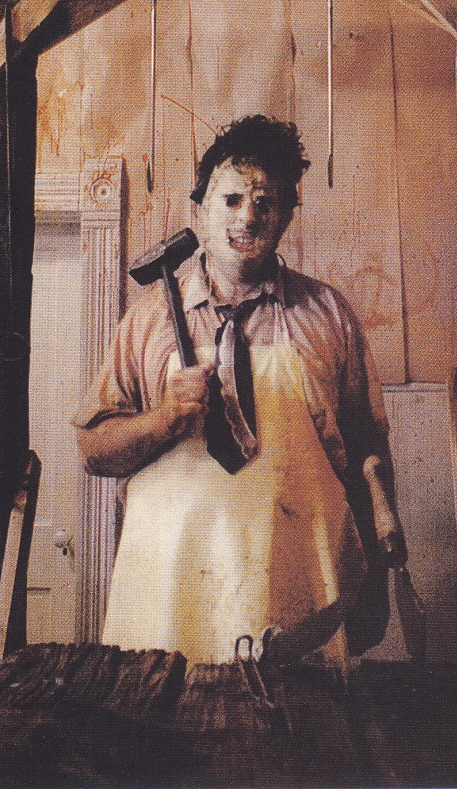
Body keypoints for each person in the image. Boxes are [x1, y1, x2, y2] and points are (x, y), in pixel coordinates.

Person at [75, 115, 399, 671]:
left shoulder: (327, 316)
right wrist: (164, 418)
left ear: (287, 215)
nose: (247, 217)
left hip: (296, 602)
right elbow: (92, 451)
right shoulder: (147, 322)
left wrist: (372, 588)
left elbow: (367, 451)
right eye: (230, 200)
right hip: (169, 600)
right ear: (200, 209)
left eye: (265, 204)